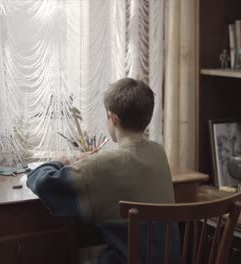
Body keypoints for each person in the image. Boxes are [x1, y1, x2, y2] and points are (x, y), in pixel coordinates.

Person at [27, 78, 180, 264]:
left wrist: (60, 162)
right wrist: (91, 163)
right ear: (147, 118)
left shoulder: (101, 166)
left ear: (113, 118)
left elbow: (43, 183)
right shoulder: (159, 152)